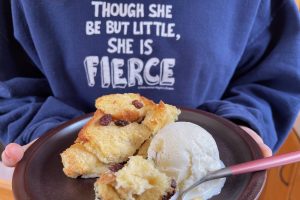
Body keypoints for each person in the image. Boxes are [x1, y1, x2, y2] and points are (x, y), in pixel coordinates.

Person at [1, 0, 299, 167]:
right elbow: (9, 77)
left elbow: (273, 72)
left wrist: (236, 127)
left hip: (206, 175)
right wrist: (45, 131)